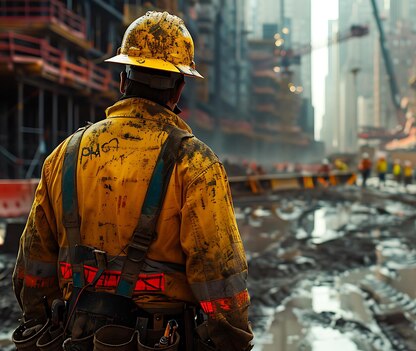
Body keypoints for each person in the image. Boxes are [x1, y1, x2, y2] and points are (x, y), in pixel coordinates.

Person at [12, 12, 253, 350]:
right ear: (180, 87)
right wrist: (233, 341)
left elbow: (33, 263)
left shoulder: (65, 155)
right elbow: (218, 271)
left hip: (75, 335)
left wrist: (41, 318)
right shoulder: (195, 163)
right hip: (162, 338)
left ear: (123, 82)